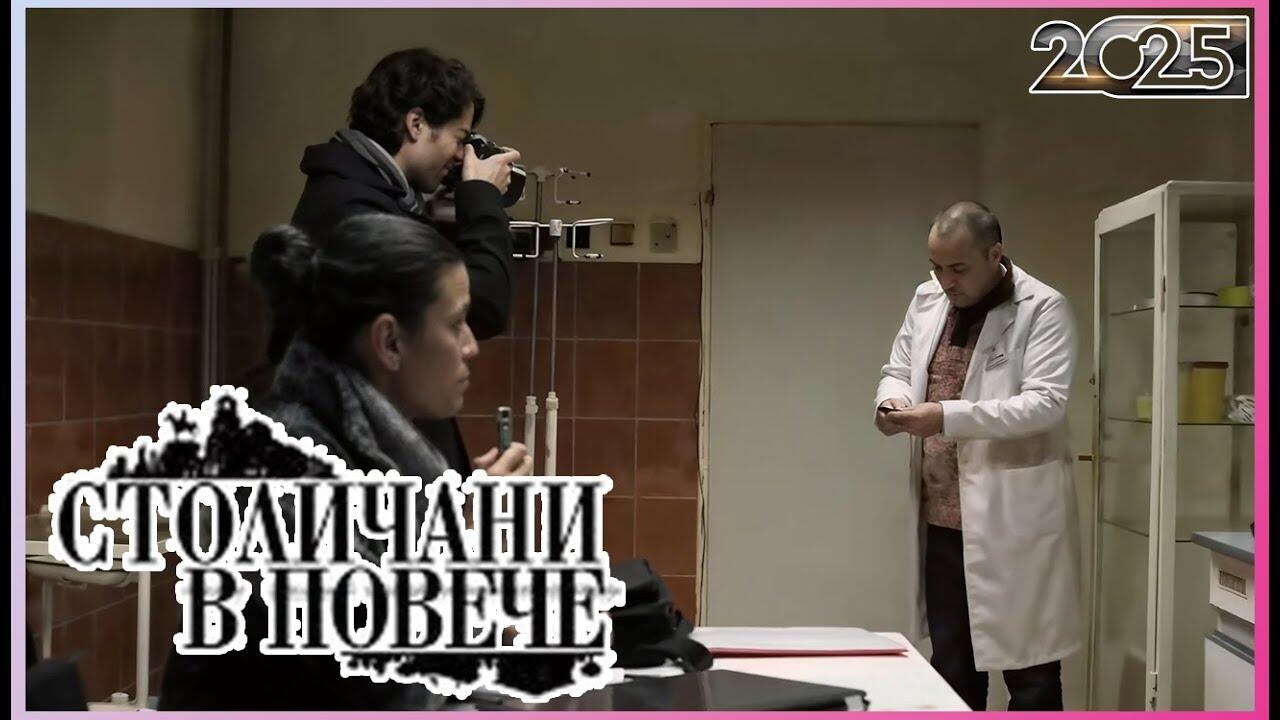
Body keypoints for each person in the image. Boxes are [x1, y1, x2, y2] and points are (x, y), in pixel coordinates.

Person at [159, 214, 532, 710]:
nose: (471, 347)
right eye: (454, 323)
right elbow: (386, 687)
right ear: (390, 342)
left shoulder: (360, 450)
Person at [248, 46, 521, 478]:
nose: (461, 155)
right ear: (416, 124)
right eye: (460, 138)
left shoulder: (369, 196)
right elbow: (484, 304)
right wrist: (481, 198)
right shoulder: (356, 209)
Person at [874, 201, 1081, 711]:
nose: (946, 281)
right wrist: (891, 403)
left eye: (959, 268)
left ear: (995, 254)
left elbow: (1045, 404)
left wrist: (945, 417)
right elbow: (898, 367)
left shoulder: (1043, 308)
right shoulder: (927, 299)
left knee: (1031, 675)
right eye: (937, 267)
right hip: (943, 521)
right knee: (952, 670)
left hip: (1013, 521)